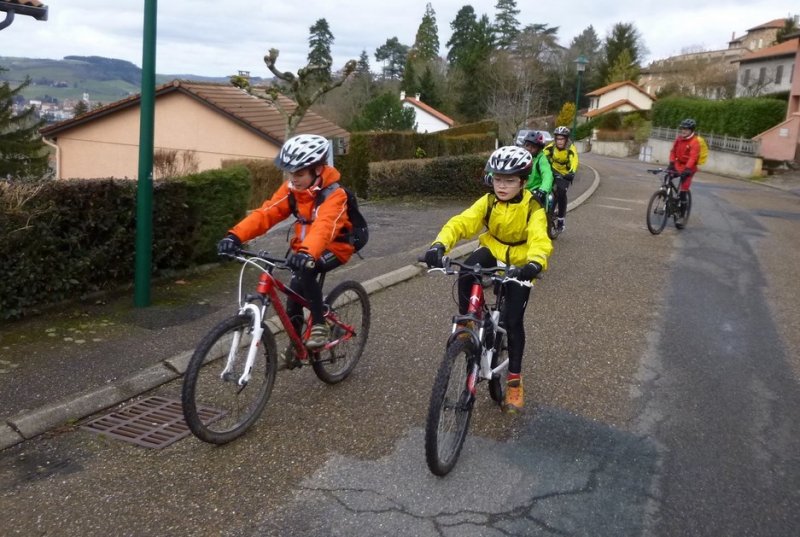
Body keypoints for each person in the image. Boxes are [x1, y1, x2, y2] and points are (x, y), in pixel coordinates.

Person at [423, 145, 553, 414]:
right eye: (497, 179)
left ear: (523, 181)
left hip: (520, 260)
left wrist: (534, 264)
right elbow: (462, 222)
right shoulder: (489, 202)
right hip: (493, 249)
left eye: (509, 181)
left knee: (513, 321)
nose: (502, 186)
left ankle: (514, 382)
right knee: (468, 267)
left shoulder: (534, 208)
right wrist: (439, 246)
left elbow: (540, 239)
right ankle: (470, 319)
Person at [217, 134, 355, 352]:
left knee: (307, 273)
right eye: (290, 173)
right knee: (293, 297)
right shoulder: (292, 190)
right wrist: (235, 236)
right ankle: (296, 346)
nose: (293, 179)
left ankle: (319, 324)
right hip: (304, 249)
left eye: (299, 173)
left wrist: (307, 253)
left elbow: (324, 227)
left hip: (335, 247)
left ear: (318, 169)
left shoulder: (335, 195)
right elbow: (267, 213)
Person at [543, 126, 579, 231]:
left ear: (566, 139)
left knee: (561, 193)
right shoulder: (551, 146)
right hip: (553, 170)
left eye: (562, 139)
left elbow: (574, 160)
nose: (559, 141)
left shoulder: (570, 148)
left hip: (565, 173)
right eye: (558, 139)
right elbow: (542, 155)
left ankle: (561, 220)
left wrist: (572, 172)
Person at [668, 118, 700, 220]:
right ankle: (668, 197)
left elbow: (693, 157)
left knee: (683, 189)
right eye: (682, 128)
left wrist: (687, 169)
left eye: (686, 129)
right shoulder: (679, 139)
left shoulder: (695, 142)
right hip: (678, 164)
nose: (683, 131)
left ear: (691, 130)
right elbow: (673, 151)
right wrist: (672, 163)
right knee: (667, 176)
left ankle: (682, 214)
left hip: (689, 168)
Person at [521, 131, 555, 210]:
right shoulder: (521, 156)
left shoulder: (541, 159)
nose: (529, 149)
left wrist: (543, 189)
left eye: (533, 147)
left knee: (541, 211)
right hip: (521, 190)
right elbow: (506, 166)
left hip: (536, 191)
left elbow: (547, 174)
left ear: (539, 148)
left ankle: (547, 219)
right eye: (527, 145)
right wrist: (491, 175)